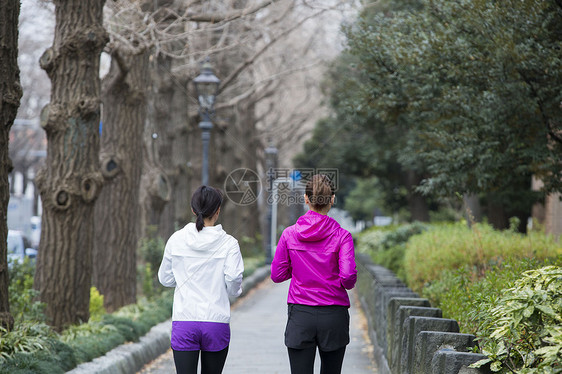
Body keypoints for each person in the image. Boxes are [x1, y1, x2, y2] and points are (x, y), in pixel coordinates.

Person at [271, 174, 357, 374]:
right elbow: (348, 278)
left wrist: (298, 267)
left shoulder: (289, 234)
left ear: (306, 198)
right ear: (332, 199)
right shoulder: (342, 236)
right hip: (334, 314)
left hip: (301, 313)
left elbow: (277, 274)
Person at [158, 185, 244, 374]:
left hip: (184, 320)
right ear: (218, 210)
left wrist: (181, 279)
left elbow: (165, 278)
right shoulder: (229, 244)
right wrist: (231, 292)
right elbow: (234, 279)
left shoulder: (176, 239)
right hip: (216, 321)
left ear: (192, 209)